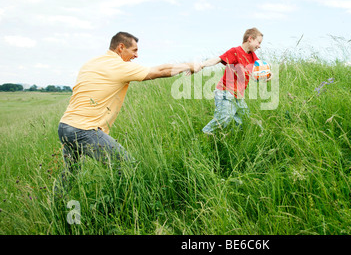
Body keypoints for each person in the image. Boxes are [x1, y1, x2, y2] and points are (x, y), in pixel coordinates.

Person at [55, 32, 201, 194]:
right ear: (121, 47)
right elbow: (159, 71)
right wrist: (188, 65)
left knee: (69, 174)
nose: (136, 55)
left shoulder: (92, 63)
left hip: (65, 126)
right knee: (126, 167)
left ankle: (57, 208)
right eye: (134, 50)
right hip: (83, 129)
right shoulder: (117, 66)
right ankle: (122, 207)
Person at [198, 27, 267, 135]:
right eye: (258, 42)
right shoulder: (235, 51)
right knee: (224, 118)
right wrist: (201, 65)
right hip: (225, 92)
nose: (259, 45)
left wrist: (268, 75)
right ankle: (205, 134)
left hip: (238, 95)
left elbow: (260, 70)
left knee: (243, 120)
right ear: (250, 39)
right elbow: (218, 59)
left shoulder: (253, 56)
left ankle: (232, 139)